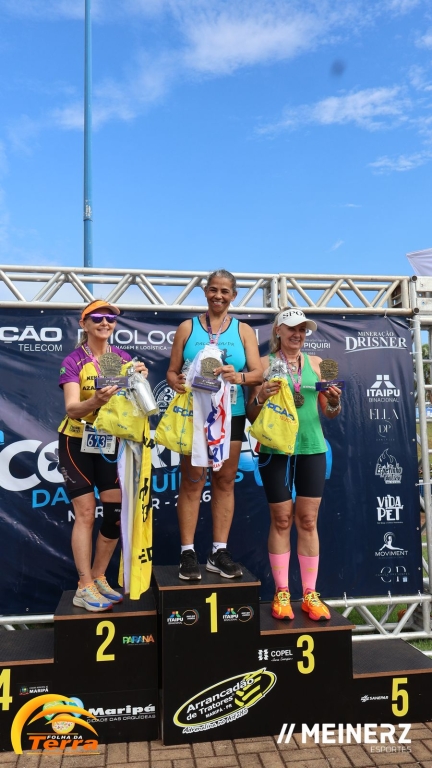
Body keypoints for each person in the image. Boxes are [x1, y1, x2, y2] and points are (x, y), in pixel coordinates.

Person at [167, 269, 262, 580]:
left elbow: (258, 373)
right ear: (205, 291)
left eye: (224, 291)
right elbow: (171, 371)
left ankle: (218, 552)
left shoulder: (243, 330)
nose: (218, 296)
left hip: (231, 414)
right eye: (213, 290)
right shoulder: (187, 327)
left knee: (224, 480)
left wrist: (239, 376)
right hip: (194, 413)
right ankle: (187, 552)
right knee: (192, 481)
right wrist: (176, 381)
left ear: (233, 295)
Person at [247, 307, 342, 621]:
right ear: (278, 331)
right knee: (282, 519)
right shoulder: (263, 365)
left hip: (312, 448)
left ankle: (310, 594)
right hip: (275, 449)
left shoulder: (316, 364)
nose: (298, 334)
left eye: (302, 329)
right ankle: (282, 592)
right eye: (292, 328)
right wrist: (261, 396)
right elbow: (251, 415)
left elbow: (330, 412)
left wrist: (335, 401)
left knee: (308, 521)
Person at [58, 299, 148, 612]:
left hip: (109, 443)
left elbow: (135, 404)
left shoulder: (122, 358)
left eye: (110, 318)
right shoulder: (73, 360)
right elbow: (72, 409)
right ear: (83, 324)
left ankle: (98, 577)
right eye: (97, 317)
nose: (105, 323)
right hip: (76, 441)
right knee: (85, 512)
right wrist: (95, 400)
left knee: (114, 514)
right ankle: (83, 586)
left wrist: (139, 379)